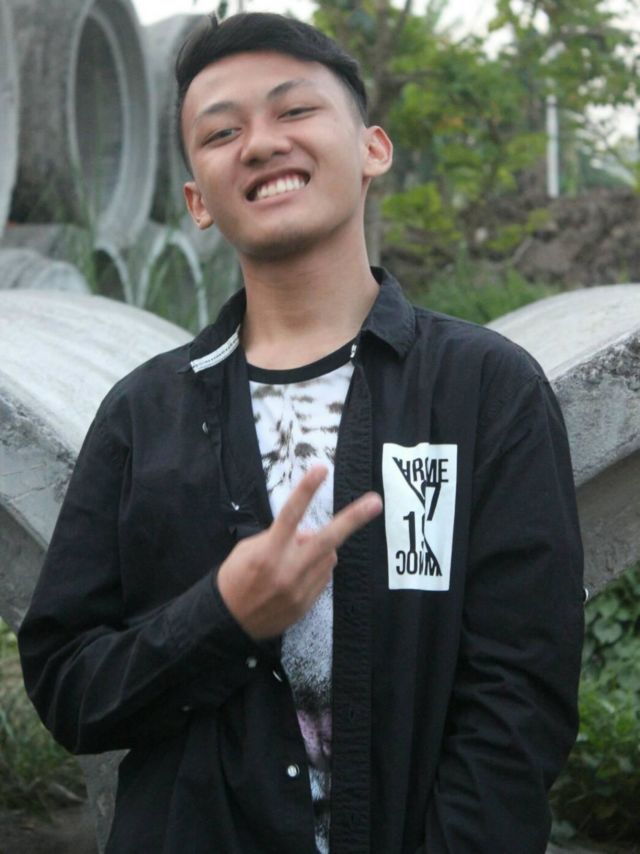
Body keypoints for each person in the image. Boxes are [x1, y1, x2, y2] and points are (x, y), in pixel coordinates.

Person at [18, 12, 584, 854]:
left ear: (372, 150)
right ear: (197, 201)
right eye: (222, 132)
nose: (260, 143)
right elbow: (67, 685)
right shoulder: (141, 415)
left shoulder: (485, 392)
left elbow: (519, 699)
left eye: (294, 110)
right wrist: (221, 616)